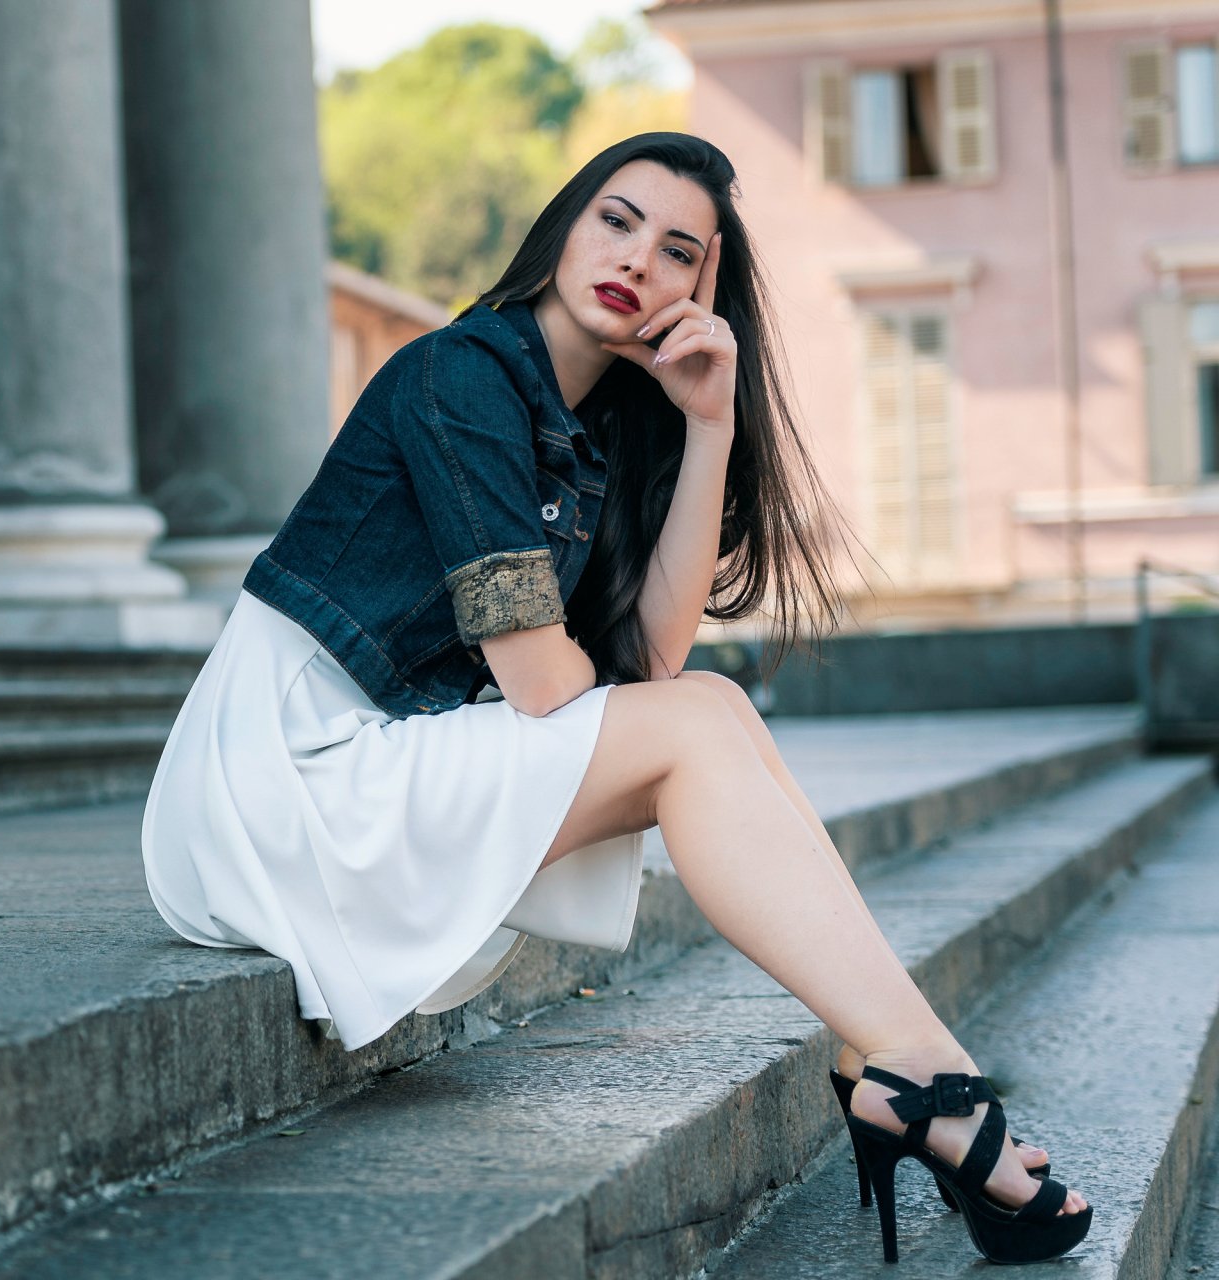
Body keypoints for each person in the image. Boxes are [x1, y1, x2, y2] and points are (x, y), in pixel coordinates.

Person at [139, 132, 1088, 1264]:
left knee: (713, 711)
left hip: (375, 755)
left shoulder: (591, 427)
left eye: (677, 250)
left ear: (704, 286)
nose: (637, 258)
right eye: (617, 220)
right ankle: (919, 1075)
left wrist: (707, 424)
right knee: (697, 721)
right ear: (564, 227)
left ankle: (908, 1065)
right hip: (279, 778)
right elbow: (549, 684)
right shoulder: (463, 378)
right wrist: (598, 669)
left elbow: (655, 653)